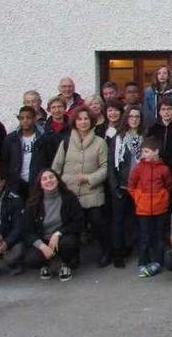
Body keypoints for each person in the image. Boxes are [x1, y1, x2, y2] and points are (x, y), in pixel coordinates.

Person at [51, 105, 111, 268]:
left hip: (92, 192)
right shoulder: (66, 142)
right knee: (73, 228)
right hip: (69, 193)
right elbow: (56, 167)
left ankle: (106, 252)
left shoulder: (100, 142)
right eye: (79, 119)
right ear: (74, 122)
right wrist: (58, 185)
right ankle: (73, 257)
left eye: (86, 119)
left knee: (98, 223)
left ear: (91, 121)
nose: (83, 122)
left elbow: (105, 168)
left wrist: (89, 178)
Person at [22, 169, 84, 282]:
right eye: (44, 179)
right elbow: (27, 231)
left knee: (68, 243)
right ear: (40, 184)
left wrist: (58, 233)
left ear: (57, 179)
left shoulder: (69, 197)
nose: (48, 181)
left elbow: (78, 222)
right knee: (31, 259)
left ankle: (65, 264)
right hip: (43, 240)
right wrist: (41, 245)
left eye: (51, 177)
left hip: (62, 238)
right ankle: (47, 264)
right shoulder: (32, 203)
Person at [128, 137, 171, 278]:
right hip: (143, 208)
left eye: (147, 151)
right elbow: (132, 185)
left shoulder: (164, 169)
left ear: (156, 151)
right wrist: (139, 197)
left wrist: (162, 196)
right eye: (143, 151)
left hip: (160, 207)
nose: (144, 154)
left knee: (159, 235)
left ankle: (158, 261)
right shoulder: (139, 167)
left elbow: (167, 185)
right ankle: (143, 261)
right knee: (144, 236)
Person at [108, 105, 143, 268]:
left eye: (137, 116)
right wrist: (114, 186)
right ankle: (118, 253)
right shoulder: (118, 138)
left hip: (140, 188)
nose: (134, 119)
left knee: (137, 221)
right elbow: (111, 164)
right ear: (126, 118)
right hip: (122, 185)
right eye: (131, 116)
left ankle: (136, 249)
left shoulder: (145, 137)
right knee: (119, 221)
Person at [2, 106, 45, 198]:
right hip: (16, 183)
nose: (25, 120)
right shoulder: (11, 139)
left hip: (38, 182)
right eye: (22, 118)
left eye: (28, 117)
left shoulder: (44, 138)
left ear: (34, 118)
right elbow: (4, 161)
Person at [145, 98, 172, 186]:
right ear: (159, 112)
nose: (166, 112)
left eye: (169, 109)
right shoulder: (153, 130)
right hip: (156, 173)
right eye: (163, 109)